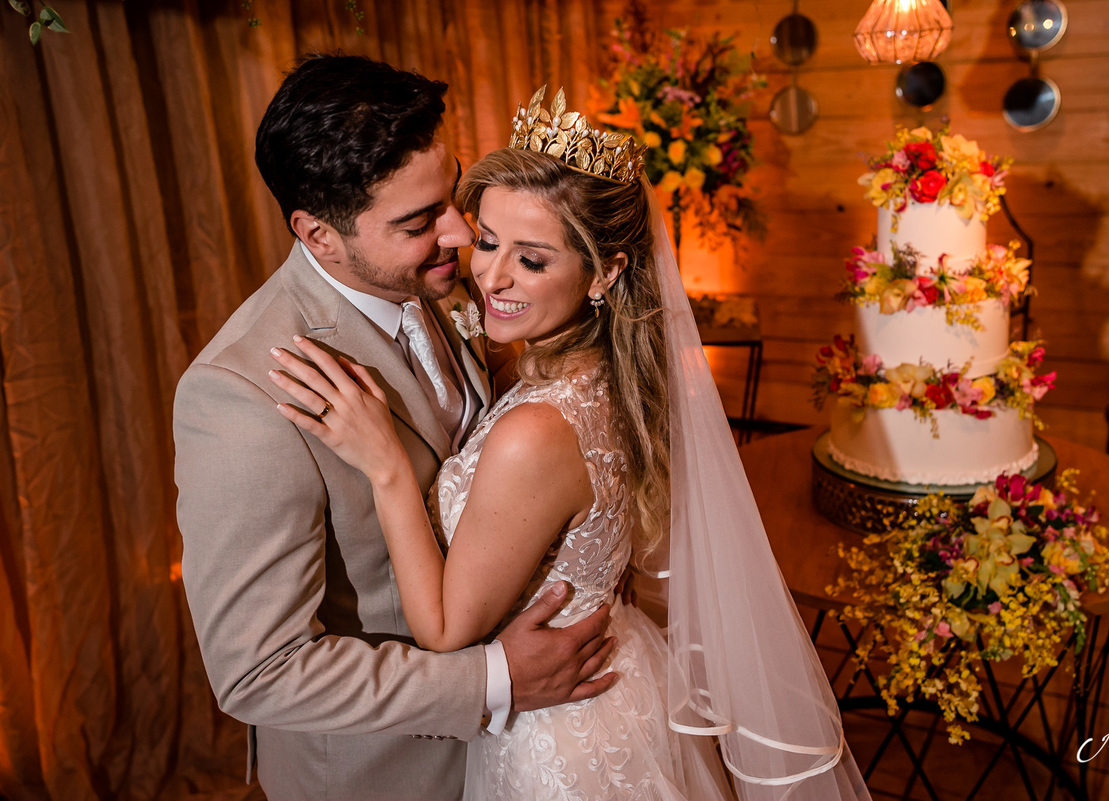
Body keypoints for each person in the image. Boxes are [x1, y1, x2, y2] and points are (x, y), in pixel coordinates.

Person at [269, 87, 872, 800]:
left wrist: (387, 467)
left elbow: (444, 630)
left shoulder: (536, 431)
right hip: (617, 677)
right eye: (488, 241)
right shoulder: (604, 374)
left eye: (532, 260)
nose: (490, 277)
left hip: (555, 739)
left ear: (605, 272)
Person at [173, 58, 621, 801]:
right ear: (319, 234)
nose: (461, 233)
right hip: (383, 775)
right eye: (419, 222)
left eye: (451, 196)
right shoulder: (240, 395)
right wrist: (494, 678)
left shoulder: (454, 284)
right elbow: (259, 671)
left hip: (527, 751)